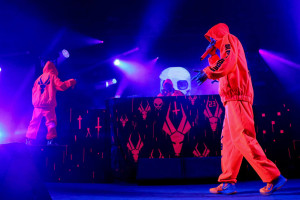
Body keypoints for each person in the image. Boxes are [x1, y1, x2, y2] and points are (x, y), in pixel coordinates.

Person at [193, 23, 286, 195]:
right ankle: (228, 182)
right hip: (230, 99)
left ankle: (273, 176)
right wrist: (212, 54)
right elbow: (223, 65)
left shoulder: (230, 39)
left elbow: (227, 63)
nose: (211, 41)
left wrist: (207, 72)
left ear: (217, 34)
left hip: (238, 97)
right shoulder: (224, 48)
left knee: (244, 138)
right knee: (229, 143)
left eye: (212, 38)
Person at [26, 61, 76, 145]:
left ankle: (29, 140)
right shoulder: (52, 77)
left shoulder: (38, 79)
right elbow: (61, 86)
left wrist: (35, 102)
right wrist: (71, 81)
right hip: (48, 105)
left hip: (37, 105)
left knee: (34, 123)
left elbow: (33, 91)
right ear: (53, 69)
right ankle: (50, 141)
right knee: (51, 123)